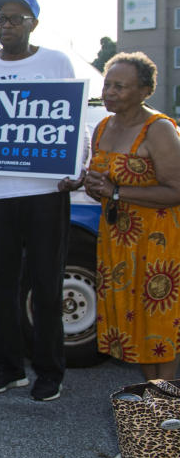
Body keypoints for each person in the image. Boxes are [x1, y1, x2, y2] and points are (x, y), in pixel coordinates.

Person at [0, 0, 77, 401]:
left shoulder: (56, 62)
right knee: (2, 287)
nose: (6, 25)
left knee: (47, 286)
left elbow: (73, 121)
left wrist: (73, 170)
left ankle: (49, 372)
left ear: (34, 23)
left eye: (16, 18)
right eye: (1, 19)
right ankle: (9, 368)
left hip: (46, 191)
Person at [75, 53, 180, 380]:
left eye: (120, 87)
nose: (109, 92)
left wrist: (116, 192)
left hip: (158, 246)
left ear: (144, 91)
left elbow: (176, 189)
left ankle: (164, 410)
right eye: (107, 84)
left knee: (159, 329)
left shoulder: (159, 129)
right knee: (135, 329)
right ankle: (154, 402)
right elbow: (103, 186)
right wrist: (90, 185)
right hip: (117, 244)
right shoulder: (103, 127)